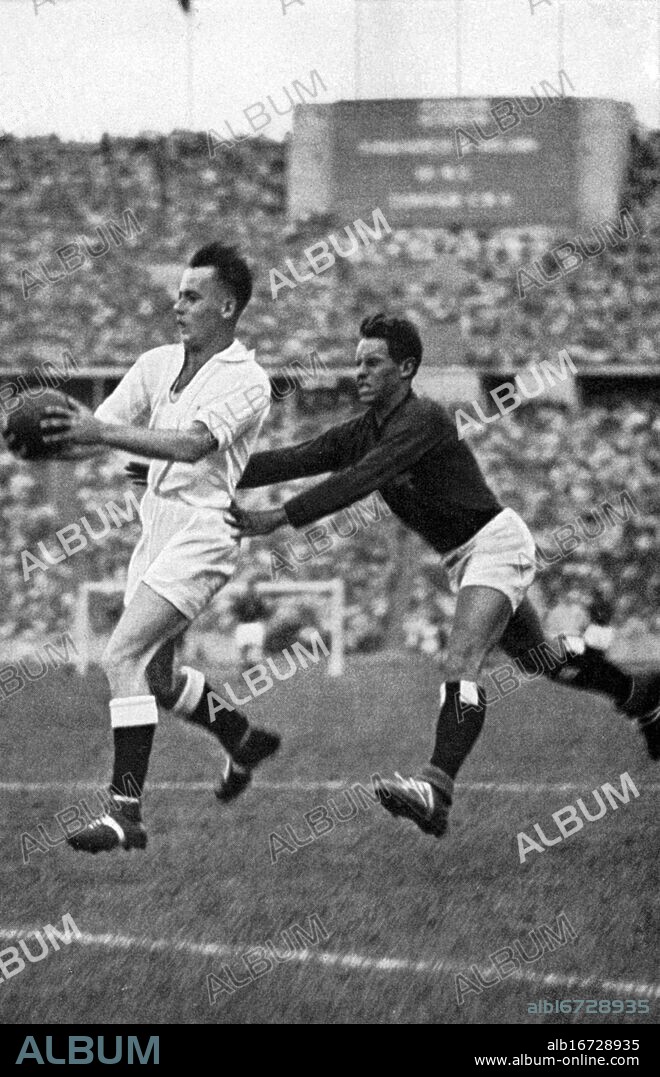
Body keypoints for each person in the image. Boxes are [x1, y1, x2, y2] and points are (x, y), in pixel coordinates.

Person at [226, 313, 659, 839]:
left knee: (461, 660)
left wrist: (276, 519)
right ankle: (641, 696)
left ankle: (435, 788)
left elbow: (362, 478)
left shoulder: (423, 419)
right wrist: (196, 464)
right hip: (466, 557)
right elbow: (298, 458)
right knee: (541, 658)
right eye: (357, 361)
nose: (359, 371)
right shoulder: (366, 428)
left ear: (406, 368)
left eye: (372, 363)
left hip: (496, 544)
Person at [37, 242, 281, 854]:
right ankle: (243, 739)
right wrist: (43, 438)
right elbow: (95, 432)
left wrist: (108, 436)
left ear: (228, 307)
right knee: (162, 678)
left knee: (121, 655)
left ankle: (125, 811)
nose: (178, 305)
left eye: (192, 296)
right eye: (178, 293)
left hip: (203, 532)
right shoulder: (156, 363)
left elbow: (195, 445)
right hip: (157, 527)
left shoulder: (249, 380)